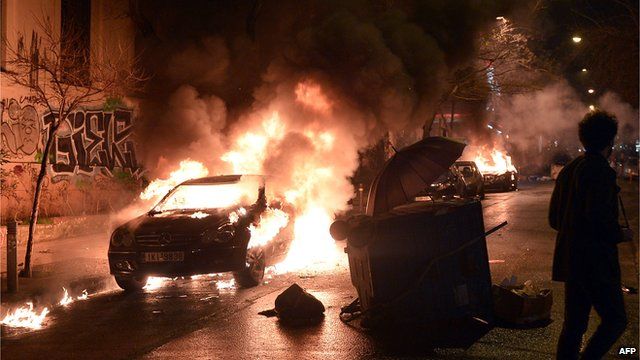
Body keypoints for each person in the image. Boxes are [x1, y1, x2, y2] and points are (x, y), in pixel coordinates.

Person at [549, 110, 633, 359]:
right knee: (615, 320)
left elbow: (554, 220)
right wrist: (621, 233)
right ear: (610, 141)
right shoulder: (601, 172)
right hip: (596, 263)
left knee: (574, 325)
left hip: (571, 260)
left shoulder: (569, 170)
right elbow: (600, 222)